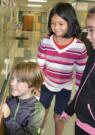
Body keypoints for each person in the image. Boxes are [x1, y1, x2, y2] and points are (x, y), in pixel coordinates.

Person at [61, 2, 95, 135]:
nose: (87, 36)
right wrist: (70, 109)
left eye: (92, 30)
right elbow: (85, 85)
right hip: (80, 123)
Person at [37, 2, 88, 135]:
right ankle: (39, 131)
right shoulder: (45, 42)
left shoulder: (79, 47)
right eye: (53, 24)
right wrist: (38, 84)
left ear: (70, 22)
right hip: (46, 84)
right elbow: (40, 65)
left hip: (65, 88)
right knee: (42, 112)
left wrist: (76, 95)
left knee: (58, 117)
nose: (56, 27)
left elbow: (80, 74)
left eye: (61, 24)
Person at [2, 61, 45, 135]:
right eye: (13, 78)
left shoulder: (37, 111)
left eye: (19, 81)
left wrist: (8, 119)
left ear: (32, 85)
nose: (12, 83)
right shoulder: (11, 99)